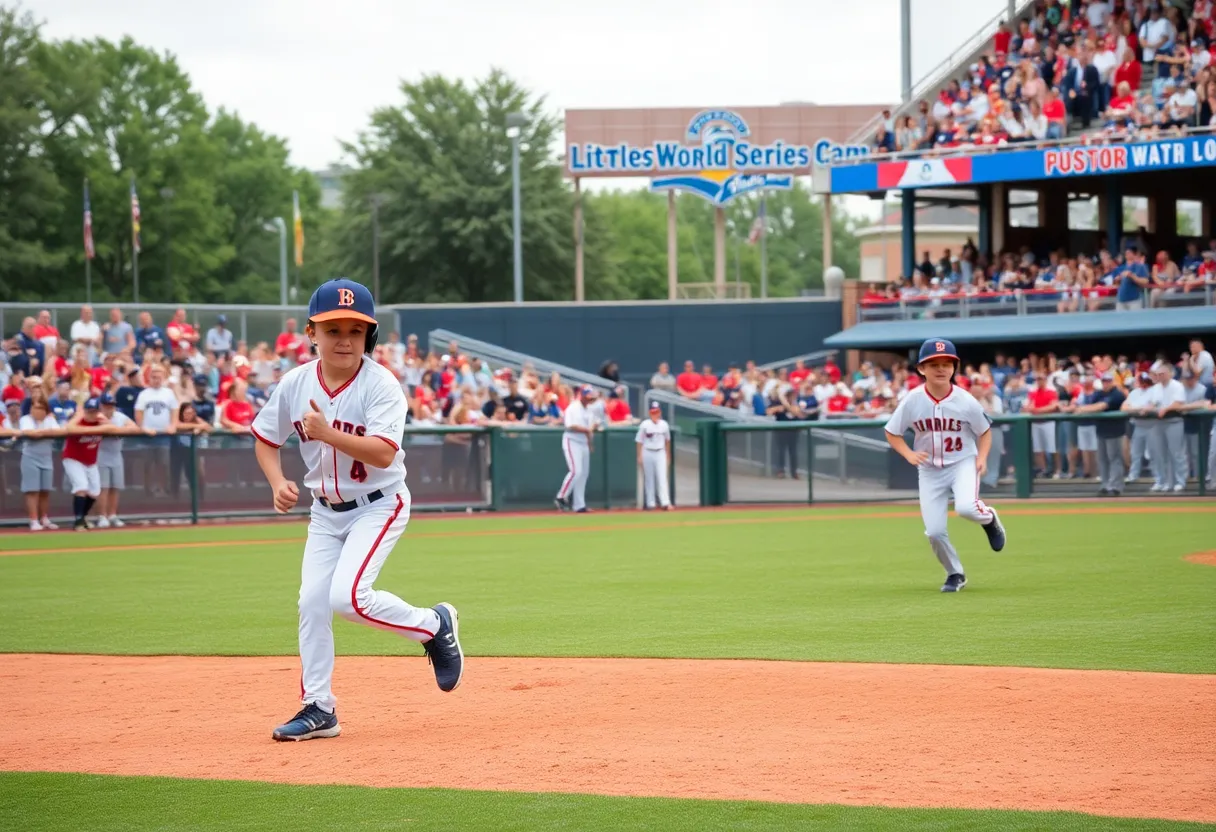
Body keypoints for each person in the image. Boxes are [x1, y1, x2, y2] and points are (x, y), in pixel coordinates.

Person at [251, 278, 463, 742]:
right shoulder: (295, 384)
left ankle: (433, 624)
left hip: (378, 504)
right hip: (325, 512)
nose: (344, 338)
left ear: (369, 335)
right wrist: (277, 481)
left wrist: (326, 434)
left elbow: (385, 454)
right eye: (332, 329)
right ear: (311, 332)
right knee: (311, 602)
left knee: (347, 599)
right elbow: (265, 439)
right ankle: (319, 708)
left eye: (355, 329)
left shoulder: (381, 385)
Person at [883, 339, 1006, 593]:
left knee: (966, 508)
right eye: (934, 364)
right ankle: (955, 573)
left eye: (947, 364)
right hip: (929, 469)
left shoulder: (965, 400)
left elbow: (984, 432)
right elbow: (892, 432)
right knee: (935, 532)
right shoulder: (912, 400)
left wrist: (981, 458)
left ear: (954, 368)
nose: (941, 369)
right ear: (921, 369)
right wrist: (908, 453)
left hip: (962, 462)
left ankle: (989, 518)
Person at [95, 392, 146, 528]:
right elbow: (104, 429)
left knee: (115, 486)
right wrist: (116, 429)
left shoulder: (119, 416)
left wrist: (117, 429)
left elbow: (134, 428)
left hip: (116, 454)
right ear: (101, 405)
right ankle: (102, 516)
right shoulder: (96, 416)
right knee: (103, 487)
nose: (109, 408)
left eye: (111, 405)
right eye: (107, 405)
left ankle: (112, 515)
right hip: (100, 454)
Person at [62, 398, 112, 531]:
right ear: (84, 411)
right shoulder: (79, 420)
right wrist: (79, 416)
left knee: (95, 491)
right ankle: (78, 521)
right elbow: (69, 428)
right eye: (89, 411)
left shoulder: (100, 421)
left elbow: (112, 427)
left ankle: (82, 517)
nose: (92, 414)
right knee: (81, 486)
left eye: (94, 411)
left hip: (90, 461)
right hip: (73, 458)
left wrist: (103, 420)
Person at [19, 396, 64, 530]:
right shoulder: (25, 419)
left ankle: (44, 518)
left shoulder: (50, 419)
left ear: (45, 410)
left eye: (40, 408)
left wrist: (42, 432)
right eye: (34, 407)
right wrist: (45, 433)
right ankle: (33, 520)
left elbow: (58, 432)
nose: (37, 411)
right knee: (32, 490)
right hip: (30, 458)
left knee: (45, 490)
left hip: (46, 459)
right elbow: (30, 433)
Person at [555, 385, 598, 513]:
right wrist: (587, 430)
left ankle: (579, 505)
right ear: (582, 395)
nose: (589, 399)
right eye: (587, 396)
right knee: (576, 471)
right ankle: (561, 496)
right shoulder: (573, 408)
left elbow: (591, 426)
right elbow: (570, 425)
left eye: (591, 397)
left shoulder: (589, 410)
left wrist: (590, 443)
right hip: (572, 440)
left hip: (583, 442)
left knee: (583, 474)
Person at [635, 401, 673, 511]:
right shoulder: (645, 424)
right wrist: (639, 456)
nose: (654, 414)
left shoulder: (664, 425)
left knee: (662, 477)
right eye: (653, 412)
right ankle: (650, 503)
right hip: (647, 451)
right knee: (649, 478)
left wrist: (668, 455)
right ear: (649, 413)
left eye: (656, 412)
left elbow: (667, 441)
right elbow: (639, 441)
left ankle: (665, 502)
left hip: (660, 451)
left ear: (660, 412)